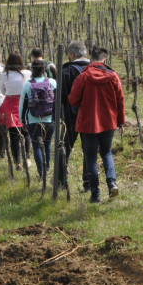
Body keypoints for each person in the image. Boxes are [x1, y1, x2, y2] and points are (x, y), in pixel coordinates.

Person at [68, 47, 125, 203]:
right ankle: (111, 182)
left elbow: (73, 100)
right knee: (106, 152)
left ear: (91, 59)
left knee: (91, 158)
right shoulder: (114, 77)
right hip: (108, 122)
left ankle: (95, 195)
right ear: (105, 60)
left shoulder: (83, 76)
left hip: (88, 123)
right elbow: (120, 100)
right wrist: (120, 121)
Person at [57, 40, 91, 191]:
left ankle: (61, 180)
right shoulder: (96, 69)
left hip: (71, 117)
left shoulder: (67, 71)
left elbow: (61, 96)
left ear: (72, 54)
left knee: (64, 147)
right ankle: (88, 183)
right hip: (91, 117)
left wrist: (58, 115)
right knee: (88, 150)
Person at [19, 59, 57, 180]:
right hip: (50, 119)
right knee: (47, 144)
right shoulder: (52, 82)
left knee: (36, 146)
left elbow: (23, 105)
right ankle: (47, 169)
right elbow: (57, 102)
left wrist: (23, 120)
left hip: (33, 119)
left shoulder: (28, 84)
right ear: (44, 70)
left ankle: (41, 173)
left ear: (32, 70)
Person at [0, 52, 32, 171]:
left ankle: (17, 162)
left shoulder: (5, 74)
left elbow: (2, 90)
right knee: (26, 132)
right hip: (25, 103)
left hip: (10, 104)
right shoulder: (28, 73)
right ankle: (27, 157)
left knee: (13, 135)